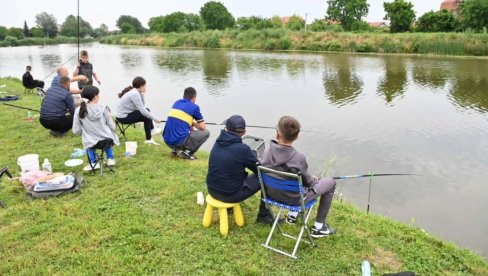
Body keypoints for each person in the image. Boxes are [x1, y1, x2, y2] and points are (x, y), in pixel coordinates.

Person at [260, 115, 337, 238]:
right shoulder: (299, 158)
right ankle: (319, 228)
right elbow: (309, 183)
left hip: (271, 195)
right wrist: (314, 179)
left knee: (293, 185)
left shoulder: (266, 152)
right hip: (295, 200)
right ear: (297, 136)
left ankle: (291, 216)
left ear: (277, 134)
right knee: (330, 182)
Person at [206, 115, 272, 223]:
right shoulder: (243, 149)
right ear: (244, 132)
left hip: (212, 190)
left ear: (226, 129)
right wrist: (256, 159)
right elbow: (259, 171)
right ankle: (263, 216)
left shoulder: (217, 142)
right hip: (229, 195)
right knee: (266, 177)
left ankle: (229, 208)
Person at [73, 86, 120, 171]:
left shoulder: (79, 110)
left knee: (88, 138)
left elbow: (76, 129)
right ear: (95, 96)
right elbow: (112, 125)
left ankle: (94, 162)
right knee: (108, 134)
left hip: (91, 142)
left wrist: (84, 133)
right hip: (107, 140)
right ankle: (110, 159)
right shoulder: (104, 108)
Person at [163, 87, 210, 160]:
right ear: (194, 98)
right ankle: (187, 152)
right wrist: (193, 122)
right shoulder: (194, 107)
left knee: (183, 128)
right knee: (206, 132)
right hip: (178, 142)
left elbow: (183, 123)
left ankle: (175, 150)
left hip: (167, 140)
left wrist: (191, 123)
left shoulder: (176, 103)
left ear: (184, 96)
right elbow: (202, 127)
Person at [116, 76, 161, 145]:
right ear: (141, 86)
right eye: (145, 85)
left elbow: (143, 106)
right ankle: (149, 138)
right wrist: (155, 118)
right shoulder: (134, 94)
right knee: (146, 115)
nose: (146, 87)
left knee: (147, 111)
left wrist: (142, 95)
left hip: (124, 115)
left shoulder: (135, 92)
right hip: (123, 117)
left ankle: (152, 131)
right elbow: (142, 111)